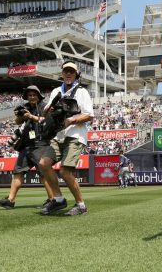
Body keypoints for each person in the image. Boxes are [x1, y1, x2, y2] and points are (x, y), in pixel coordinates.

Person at [39, 61, 94, 216]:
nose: (68, 74)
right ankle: (58, 199)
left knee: (65, 171)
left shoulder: (82, 91)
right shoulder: (57, 90)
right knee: (44, 163)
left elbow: (89, 115)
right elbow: (45, 112)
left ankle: (81, 205)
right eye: (66, 71)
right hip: (58, 135)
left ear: (76, 74)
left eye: (71, 71)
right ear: (62, 73)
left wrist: (71, 120)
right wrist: (47, 110)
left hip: (75, 135)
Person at [0, 85, 53, 209]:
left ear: (38, 96)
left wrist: (31, 117)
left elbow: (45, 121)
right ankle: (10, 200)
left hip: (40, 144)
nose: (31, 97)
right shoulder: (25, 107)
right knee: (18, 172)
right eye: (29, 95)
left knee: (44, 174)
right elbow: (17, 122)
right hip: (26, 145)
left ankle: (52, 199)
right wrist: (21, 116)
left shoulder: (44, 106)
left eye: (34, 95)